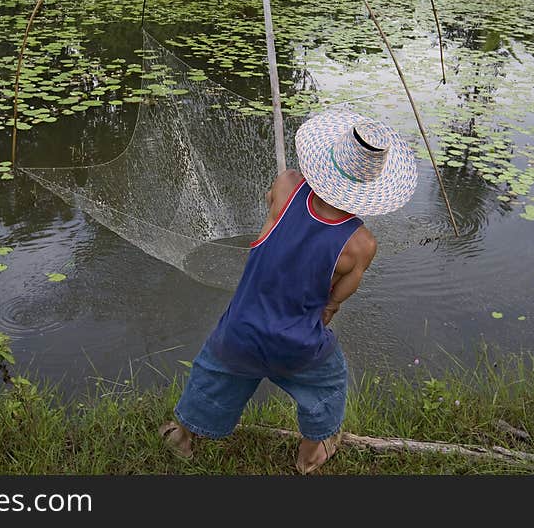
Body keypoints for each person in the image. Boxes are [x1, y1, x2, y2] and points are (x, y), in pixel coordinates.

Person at [159, 109, 418, 473]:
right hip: (297, 345)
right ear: (371, 189)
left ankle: (182, 437)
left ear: (326, 159)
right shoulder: (361, 244)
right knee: (328, 381)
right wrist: (326, 312)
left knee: (213, 373)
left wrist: (294, 188)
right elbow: (335, 299)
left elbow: (273, 206)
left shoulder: (286, 186)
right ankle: (310, 454)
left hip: (241, 331)